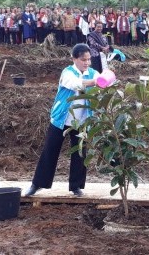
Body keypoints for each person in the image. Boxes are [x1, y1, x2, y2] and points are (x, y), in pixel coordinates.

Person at [25, 44, 100, 197]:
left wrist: (105, 80)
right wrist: (93, 82)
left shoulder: (93, 73)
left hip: (81, 121)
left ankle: (76, 186)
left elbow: (102, 83)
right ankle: (37, 184)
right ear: (74, 59)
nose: (87, 63)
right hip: (61, 119)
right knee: (50, 151)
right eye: (83, 59)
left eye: (89, 60)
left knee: (79, 153)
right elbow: (75, 84)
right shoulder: (67, 73)